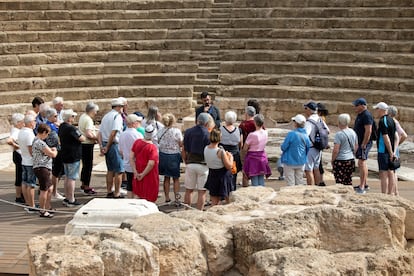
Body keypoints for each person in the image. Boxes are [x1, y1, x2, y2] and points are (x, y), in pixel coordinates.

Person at [182, 113, 211, 210]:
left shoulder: (189, 132)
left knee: (188, 190)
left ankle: (187, 210)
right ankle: (199, 212)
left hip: (191, 162)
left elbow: (184, 149)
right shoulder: (208, 134)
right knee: (201, 192)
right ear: (207, 122)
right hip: (203, 164)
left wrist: (185, 160)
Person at [98, 98, 125, 198]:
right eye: (121, 106)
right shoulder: (117, 117)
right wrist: (108, 146)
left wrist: (102, 146)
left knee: (110, 169)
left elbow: (99, 133)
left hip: (105, 142)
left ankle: (109, 190)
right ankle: (117, 192)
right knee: (119, 170)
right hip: (113, 144)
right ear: (118, 107)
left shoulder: (106, 116)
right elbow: (114, 133)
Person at [59, 109, 86, 207]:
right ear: (70, 118)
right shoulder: (71, 128)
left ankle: (67, 197)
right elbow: (82, 138)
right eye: (73, 116)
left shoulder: (62, 126)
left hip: (65, 154)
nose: (74, 118)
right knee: (71, 178)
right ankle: (71, 199)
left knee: (67, 177)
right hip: (73, 155)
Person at [32, 124, 58, 218]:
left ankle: (47, 207)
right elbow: (52, 154)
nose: (47, 136)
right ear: (43, 133)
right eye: (47, 134)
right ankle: (42, 210)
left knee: (49, 188)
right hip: (42, 168)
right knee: (44, 190)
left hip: (42, 167)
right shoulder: (39, 142)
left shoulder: (37, 141)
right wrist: (55, 150)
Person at [374, 102, 399, 195]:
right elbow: (397, 137)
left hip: (383, 151)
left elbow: (386, 137)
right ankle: (391, 193)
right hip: (391, 151)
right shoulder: (392, 120)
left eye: (377, 109)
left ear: (381, 110)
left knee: (383, 173)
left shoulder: (382, 121)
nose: (376, 111)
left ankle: (384, 195)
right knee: (391, 172)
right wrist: (394, 150)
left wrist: (390, 152)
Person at [130, 124, 159, 202]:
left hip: (138, 171)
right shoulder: (152, 147)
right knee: (149, 196)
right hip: (149, 174)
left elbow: (131, 157)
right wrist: (142, 174)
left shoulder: (137, 142)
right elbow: (151, 163)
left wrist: (135, 171)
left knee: (137, 193)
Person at [204, 129, 234, 205]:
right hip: (222, 176)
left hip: (212, 174)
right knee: (228, 199)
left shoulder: (206, 148)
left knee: (214, 201)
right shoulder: (220, 151)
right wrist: (231, 157)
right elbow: (229, 166)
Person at [158, 113, 183, 203]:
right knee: (176, 178)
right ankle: (177, 198)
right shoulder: (176, 131)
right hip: (173, 155)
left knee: (166, 177)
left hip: (163, 155)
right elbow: (180, 143)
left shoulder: (160, 131)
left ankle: (167, 197)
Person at [280, 114, 311, 186]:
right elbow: (308, 147)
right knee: (299, 181)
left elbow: (283, 147)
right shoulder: (306, 135)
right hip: (301, 161)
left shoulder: (291, 134)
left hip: (289, 161)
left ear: (296, 123)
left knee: (290, 182)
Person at [352, 97, 375, 193]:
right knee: (361, 162)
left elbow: (368, 130)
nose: (355, 107)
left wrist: (364, 143)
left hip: (364, 143)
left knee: (362, 162)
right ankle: (364, 184)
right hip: (361, 142)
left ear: (362, 106)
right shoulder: (360, 114)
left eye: (356, 105)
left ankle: (362, 186)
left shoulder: (366, 115)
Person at [242, 114, 271, 186]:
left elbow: (245, 148)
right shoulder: (266, 132)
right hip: (262, 157)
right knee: (261, 178)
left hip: (252, 158)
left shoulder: (252, 135)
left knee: (254, 179)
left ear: (255, 122)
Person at [119, 114, 143, 198]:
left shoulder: (122, 134)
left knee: (129, 184)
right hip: (137, 163)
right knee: (138, 183)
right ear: (134, 123)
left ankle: (129, 200)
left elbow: (120, 150)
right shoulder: (138, 135)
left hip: (126, 162)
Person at [78, 102, 100, 195]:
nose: (96, 113)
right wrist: (97, 138)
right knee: (88, 166)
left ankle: (84, 184)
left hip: (83, 144)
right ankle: (86, 185)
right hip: (87, 144)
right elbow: (89, 134)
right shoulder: (88, 120)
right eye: (95, 111)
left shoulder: (83, 116)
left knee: (85, 166)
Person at [331, 114, 358, 186]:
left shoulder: (339, 134)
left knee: (339, 181)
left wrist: (333, 159)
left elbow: (336, 149)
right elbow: (356, 146)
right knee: (348, 180)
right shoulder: (353, 132)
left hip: (341, 159)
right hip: (350, 159)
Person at [18, 114, 37, 213]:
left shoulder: (21, 131)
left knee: (25, 182)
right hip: (29, 161)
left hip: (24, 160)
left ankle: (28, 203)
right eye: (34, 121)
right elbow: (31, 149)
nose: (35, 122)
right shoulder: (29, 133)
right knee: (31, 184)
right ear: (30, 123)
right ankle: (32, 205)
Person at [44, 108, 65, 201]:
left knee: (58, 172)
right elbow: (55, 140)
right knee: (55, 173)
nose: (57, 117)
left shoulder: (53, 125)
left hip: (57, 150)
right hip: (54, 151)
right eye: (55, 116)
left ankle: (54, 190)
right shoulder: (48, 126)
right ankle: (53, 192)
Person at [303, 101, 325, 186]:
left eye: (306, 108)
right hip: (318, 147)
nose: (305, 110)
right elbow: (328, 130)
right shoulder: (320, 119)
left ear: (309, 110)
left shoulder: (309, 122)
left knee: (308, 170)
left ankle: (311, 188)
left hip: (311, 148)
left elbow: (305, 135)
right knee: (316, 169)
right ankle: (318, 186)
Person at [388, 105, 408, 196]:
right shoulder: (395, 122)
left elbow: (404, 135)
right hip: (395, 149)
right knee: (394, 171)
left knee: (392, 171)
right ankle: (395, 191)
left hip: (393, 149)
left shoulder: (394, 122)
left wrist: (397, 144)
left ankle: (394, 192)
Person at [219, 110, 242, 191]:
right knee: (233, 173)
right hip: (235, 153)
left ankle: (223, 191)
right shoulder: (238, 130)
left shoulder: (220, 129)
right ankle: (232, 189)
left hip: (224, 153)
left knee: (222, 172)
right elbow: (240, 143)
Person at [7, 113, 25, 203]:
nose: (24, 123)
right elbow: (9, 140)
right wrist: (16, 145)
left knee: (21, 175)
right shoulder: (16, 131)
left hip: (18, 154)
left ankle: (21, 194)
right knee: (19, 175)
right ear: (18, 123)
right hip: (18, 155)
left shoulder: (16, 130)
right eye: (22, 122)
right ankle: (18, 196)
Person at [239, 105, 256, 186]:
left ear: (246, 114)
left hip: (246, 148)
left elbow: (240, 138)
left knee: (245, 170)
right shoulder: (257, 123)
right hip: (256, 149)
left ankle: (245, 187)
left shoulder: (243, 125)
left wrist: (241, 148)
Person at [317, 102, 330, 186]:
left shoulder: (320, 119)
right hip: (321, 143)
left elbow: (324, 132)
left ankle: (320, 180)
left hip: (319, 143)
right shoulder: (322, 118)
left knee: (318, 163)